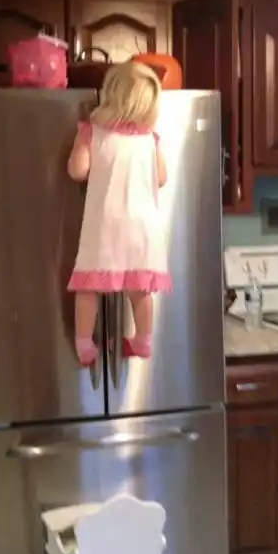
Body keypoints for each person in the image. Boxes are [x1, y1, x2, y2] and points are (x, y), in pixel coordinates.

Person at [67, 61, 171, 366]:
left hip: (106, 224)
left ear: (111, 94)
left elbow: (77, 171)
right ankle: (143, 339)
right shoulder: (150, 139)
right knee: (139, 289)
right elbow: (161, 177)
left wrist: (78, 149)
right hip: (142, 227)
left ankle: (84, 344)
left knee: (88, 286)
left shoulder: (92, 133)